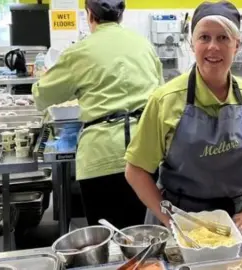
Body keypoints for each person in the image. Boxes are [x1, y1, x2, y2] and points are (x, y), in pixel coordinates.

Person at [124, 1, 242, 234]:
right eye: (204, 37)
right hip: (182, 221)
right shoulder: (165, 100)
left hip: (239, 224)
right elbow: (135, 170)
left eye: (223, 38)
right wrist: (170, 220)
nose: (213, 47)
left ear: (237, 45)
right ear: (192, 44)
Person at [32, 0, 164, 228]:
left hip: (101, 155)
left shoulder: (80, 51)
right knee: (146, 235)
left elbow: (42, 96)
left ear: (89, 15)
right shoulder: (144, 45)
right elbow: (161, 96)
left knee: (108, 240)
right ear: (121, 16)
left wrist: (44, 75)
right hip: (146, 152)